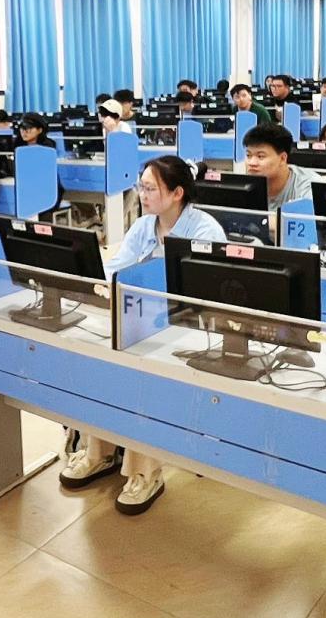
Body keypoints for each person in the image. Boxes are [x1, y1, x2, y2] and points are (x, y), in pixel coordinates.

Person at [58, 156, 224, 513]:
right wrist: (98, 284)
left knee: (141, 371)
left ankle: (144, 473)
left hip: (189, 331)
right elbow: (117, 269)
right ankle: (98, 451)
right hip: (143, 319)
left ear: (177, 193)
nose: (142, 194)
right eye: (141, 186)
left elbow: (209, 298)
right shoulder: (143, 226)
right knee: (99, 356)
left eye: (149, 188)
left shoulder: (205, 231)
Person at [243, 123, 315, 210]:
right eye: (248, 155)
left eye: (260, 156)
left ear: (282, 158)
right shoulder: (242, 185)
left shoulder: (308, 185)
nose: (252, 163)